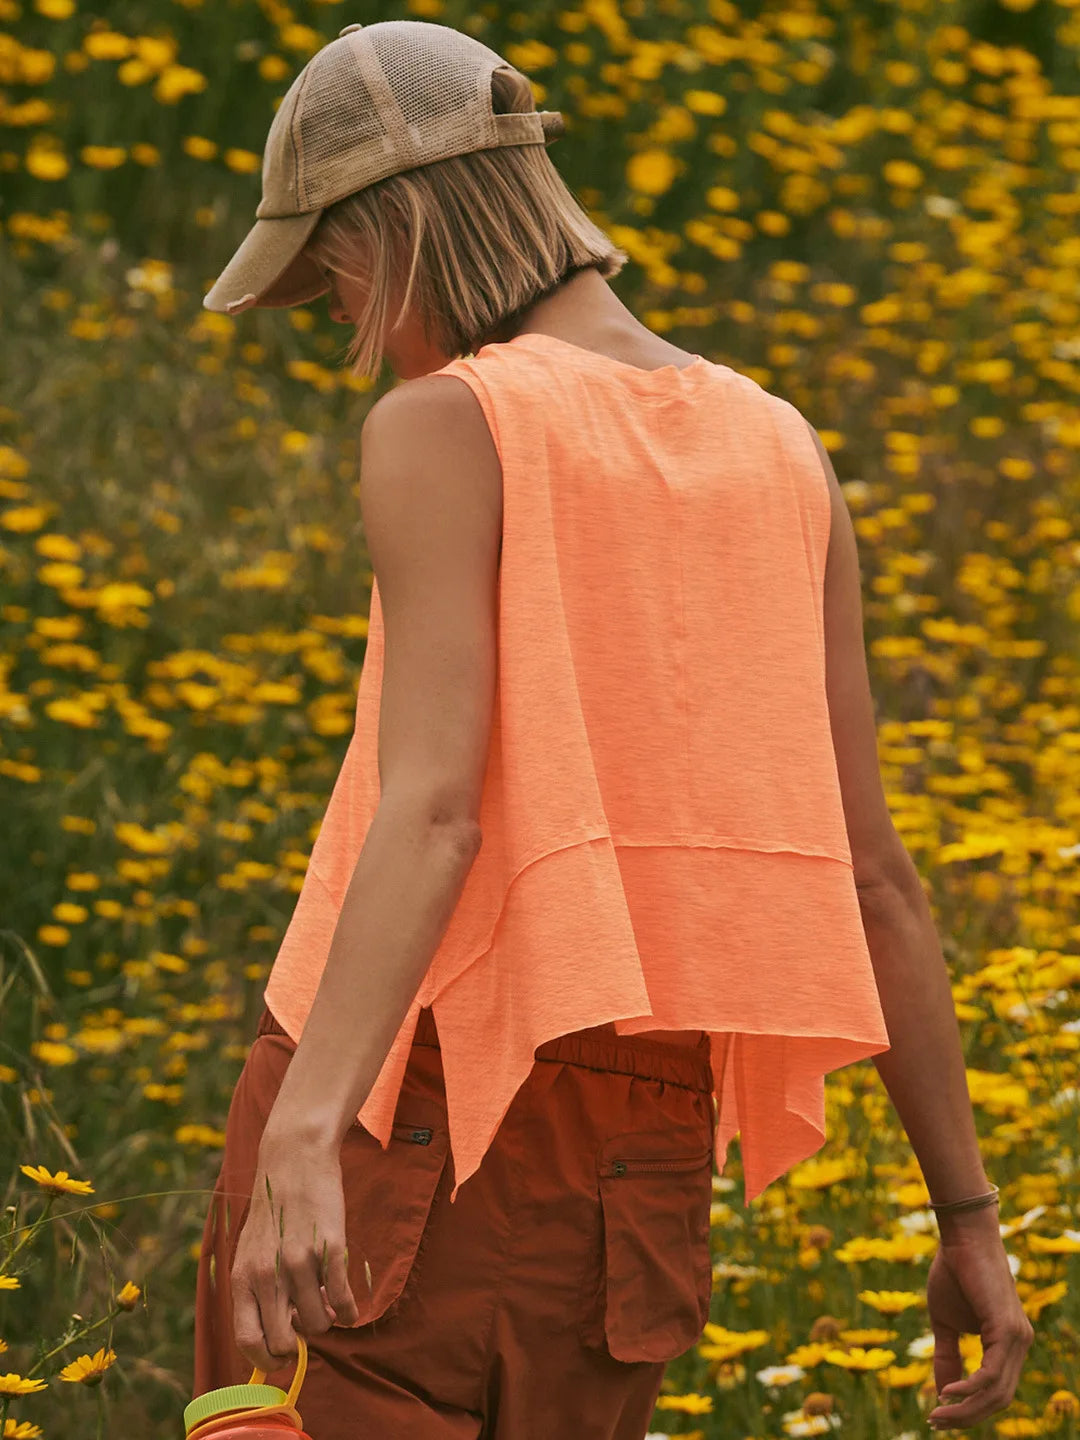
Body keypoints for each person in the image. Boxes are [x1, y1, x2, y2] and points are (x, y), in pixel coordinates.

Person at [191, 18, 1033, 1439]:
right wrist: (969, 1212)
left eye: (332, 282)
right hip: (638, 1152)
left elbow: (437, 811)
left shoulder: (446, 422)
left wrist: (305, 1125)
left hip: (400, 1088)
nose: (344, 328)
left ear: (391, 232)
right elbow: (869, 875)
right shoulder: (780, 443)